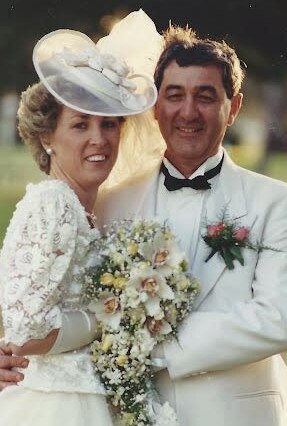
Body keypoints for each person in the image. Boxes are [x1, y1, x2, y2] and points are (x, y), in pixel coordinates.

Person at [1, 12, 287, 426]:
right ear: (155, 107)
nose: (188, 112)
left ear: (233, 107)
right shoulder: (107, 203)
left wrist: (146, 341)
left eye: (205, 96)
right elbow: (32, 288)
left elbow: (278, 321)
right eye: (173, 95)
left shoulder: (279, 203)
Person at [0, 12, 161, 426]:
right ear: (47, 137)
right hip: (57, 406)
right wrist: (111, 315)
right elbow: (27, 330)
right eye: (80, 124)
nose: (99, 138)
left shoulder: (87, 207)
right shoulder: (53, 204)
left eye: (109, 125)